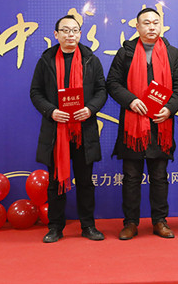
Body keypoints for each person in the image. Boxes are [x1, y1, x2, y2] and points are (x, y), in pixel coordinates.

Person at [106, 7, 178, 239]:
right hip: (133, 124)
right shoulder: (126, 53)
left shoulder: (172, 53)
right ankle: (130, 223)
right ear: (137, 26)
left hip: (161, 124)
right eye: (146, 23)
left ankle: (160, 221)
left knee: (159, 176)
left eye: (155, 22)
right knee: (131, 177)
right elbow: (113, 83)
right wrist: (131, 101)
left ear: (161, 25)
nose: (151, 27)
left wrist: (169, 109)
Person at [29, 14, 108, 243]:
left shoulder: (90, 60)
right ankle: (55, 227)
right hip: (56, 132)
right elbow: (35, 92)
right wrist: (51, 111)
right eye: (65, 30)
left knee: (85, 182)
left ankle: (88, 226)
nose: (70, 34)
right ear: (56, 34)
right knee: (56, 182)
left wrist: (90, 109)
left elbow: (101, 90)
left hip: (84, 131)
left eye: (74, 30)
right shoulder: (46, 61)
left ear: (80, 34)